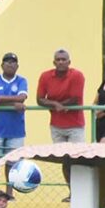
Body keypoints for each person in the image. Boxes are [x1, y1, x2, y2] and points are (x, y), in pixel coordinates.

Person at [37, 49, 86, 196]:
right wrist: (56, 105)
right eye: (58, 59)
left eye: (64, 59)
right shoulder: (45, 76)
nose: (61, 62)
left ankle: (80, 191)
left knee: (77, 159)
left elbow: (75, 98)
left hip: (75, 124)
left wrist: (54, 104)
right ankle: (72, 191)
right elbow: (39, 99)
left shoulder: (77, 75)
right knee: (65, 160)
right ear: (54, 62)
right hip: (56, 125)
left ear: (69, 62)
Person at [0, 52, 28, 198]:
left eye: (13, 62)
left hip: (16, 129)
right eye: (7, 61)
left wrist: (3, 99)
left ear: (17, 66)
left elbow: (22, 97)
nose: (10, 64)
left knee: (13, 162)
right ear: (1, 65)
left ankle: (9, 192)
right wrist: (14, 103)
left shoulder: (22, 80)